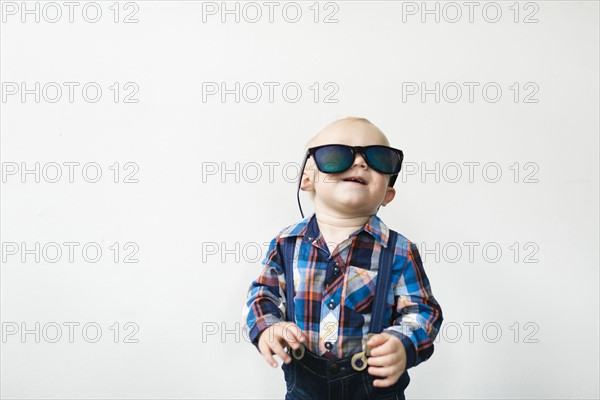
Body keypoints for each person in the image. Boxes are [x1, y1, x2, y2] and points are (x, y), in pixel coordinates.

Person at [243, 117, 443, 399]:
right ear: (307, 179)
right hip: (305, 390)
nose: (360, 162)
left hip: (375, 391)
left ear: (388, 194)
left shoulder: (399, 250)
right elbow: (263, 295)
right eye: (336, 155)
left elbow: (423, 312)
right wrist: (269, 327)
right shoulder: (286, 243)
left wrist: (403, 343)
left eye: (378, 159)